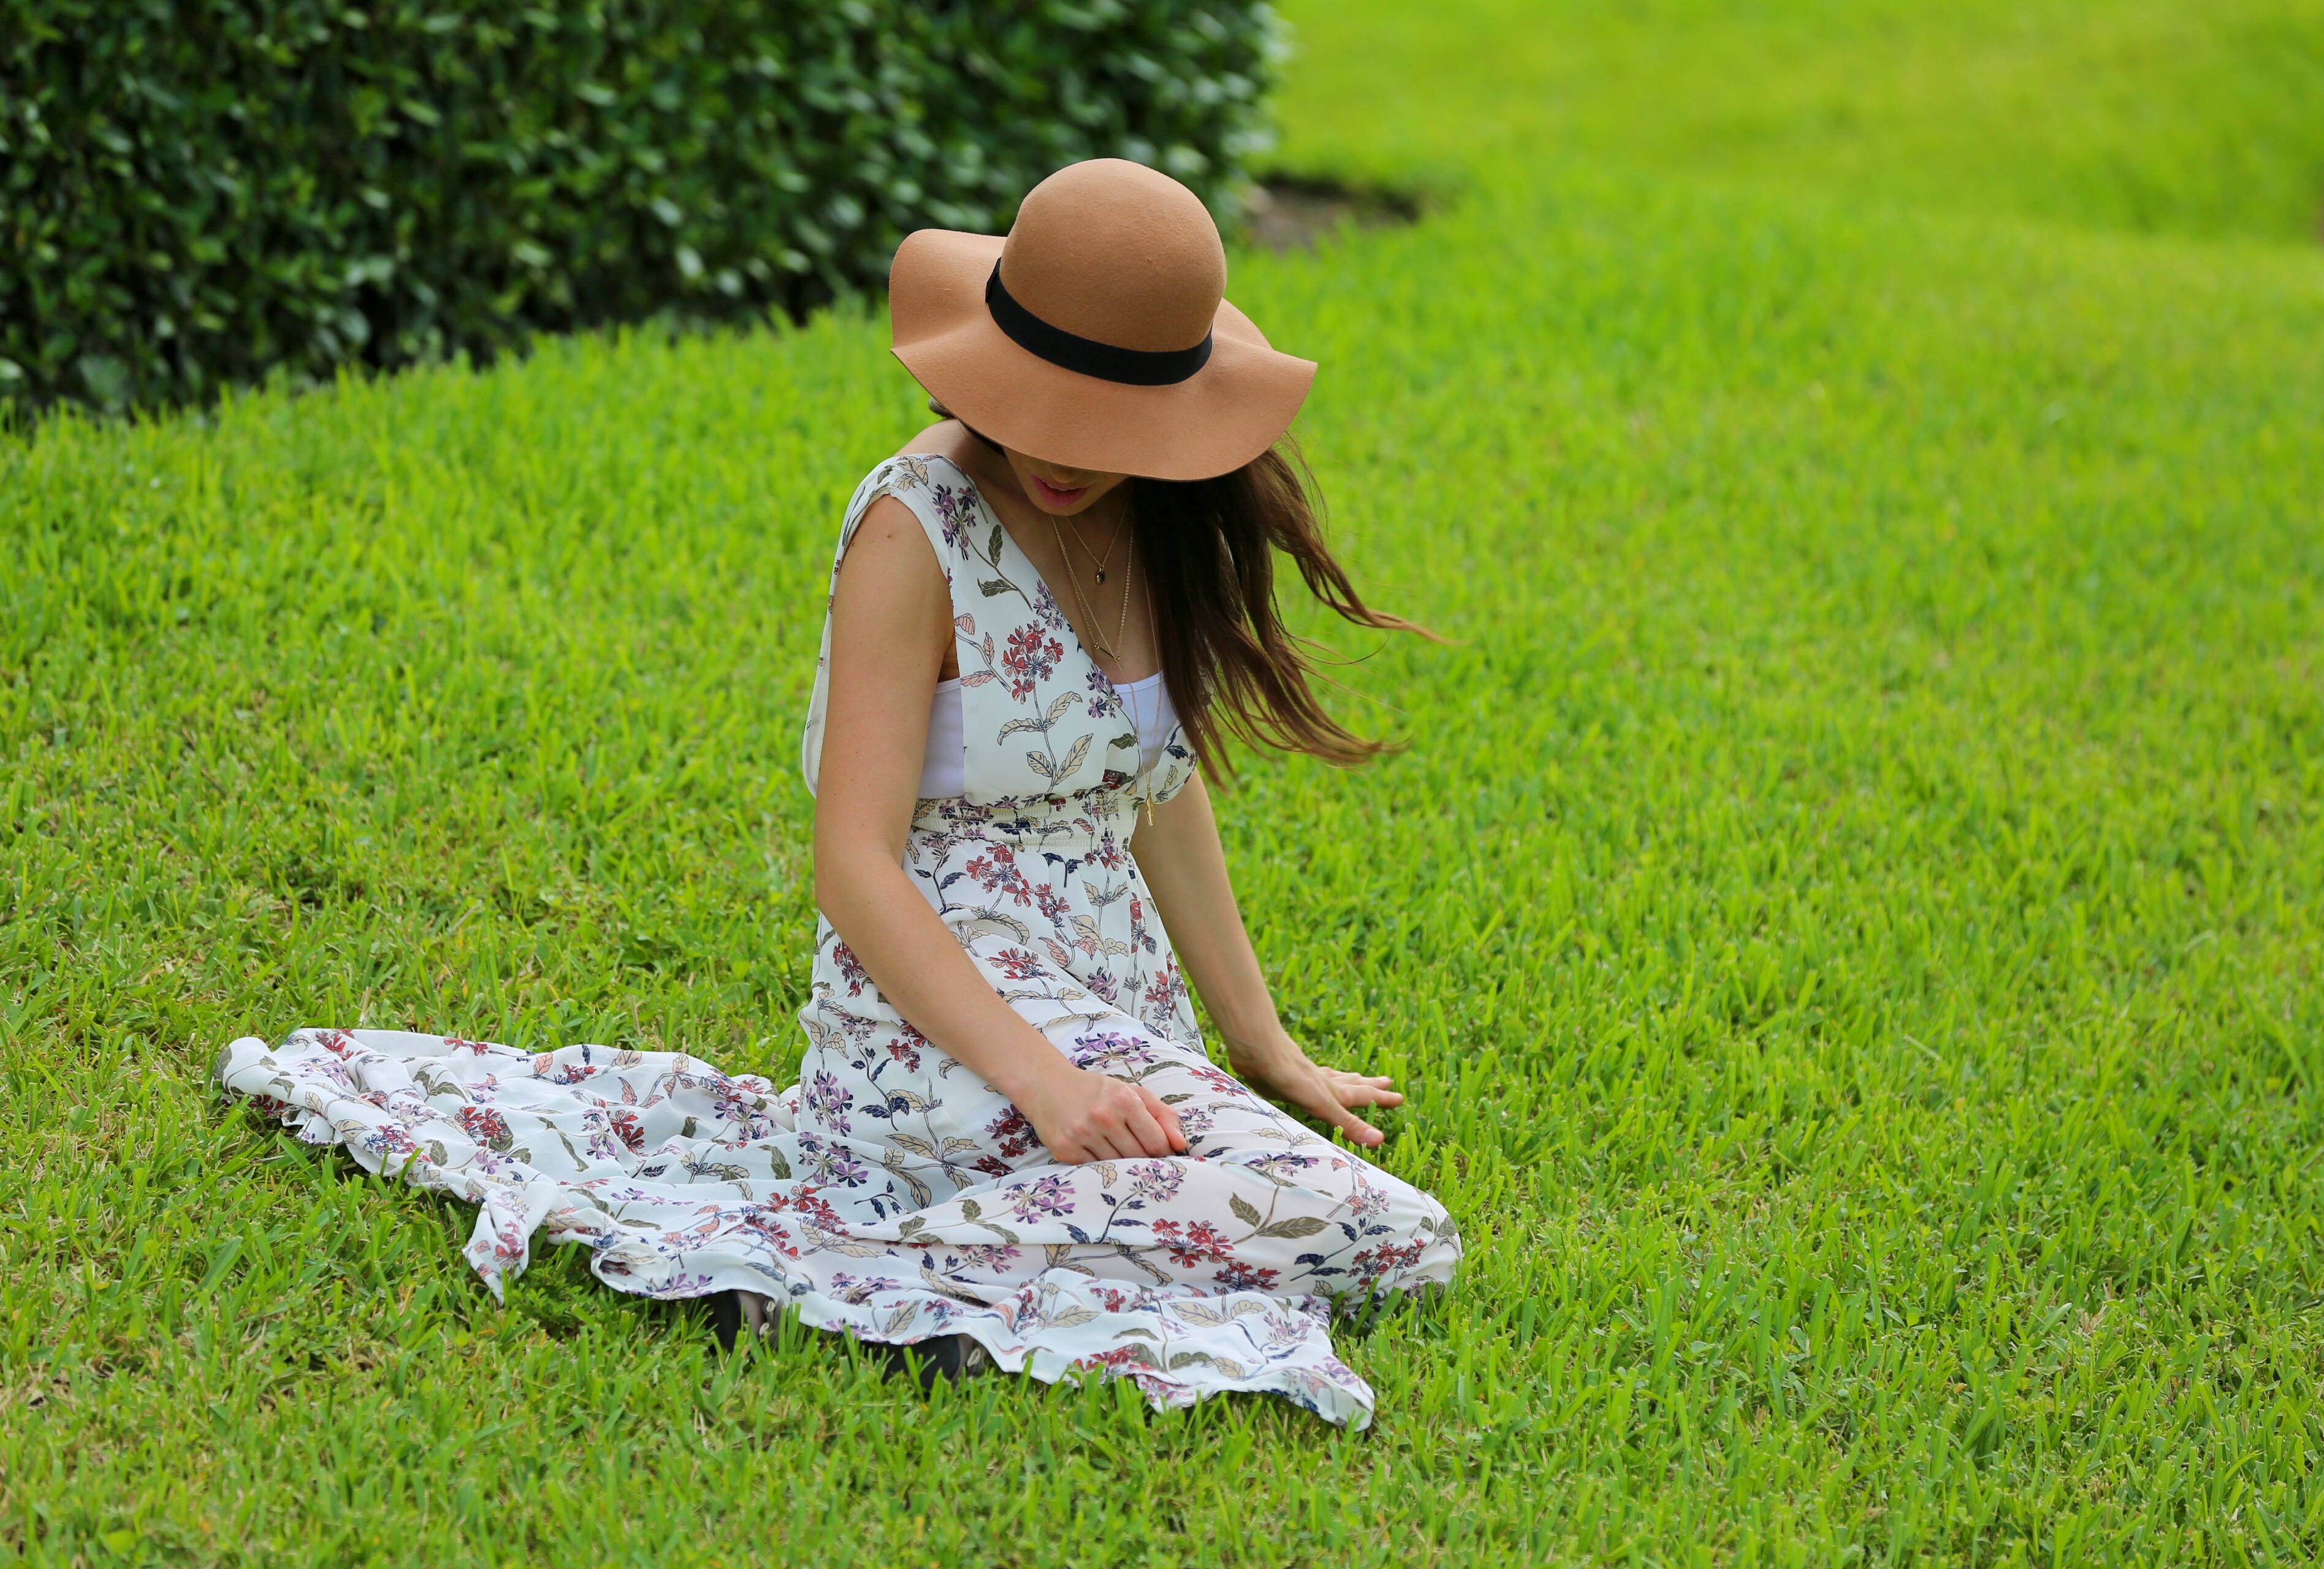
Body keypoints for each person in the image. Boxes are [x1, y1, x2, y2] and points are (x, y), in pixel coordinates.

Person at [215, 159, 1459, 1427]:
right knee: (1382, 1228)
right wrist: (1043, 1082)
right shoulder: (915, 529)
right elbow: (854, 863)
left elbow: (1156, 792)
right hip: (940, 1032)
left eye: (1105, 425)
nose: (1060, 453)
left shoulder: (1155, 520)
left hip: (1103, 1007)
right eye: (1040, 406)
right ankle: (833, 1274)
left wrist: (1259, 1041)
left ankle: (938, 1262)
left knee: (1378, 1236)